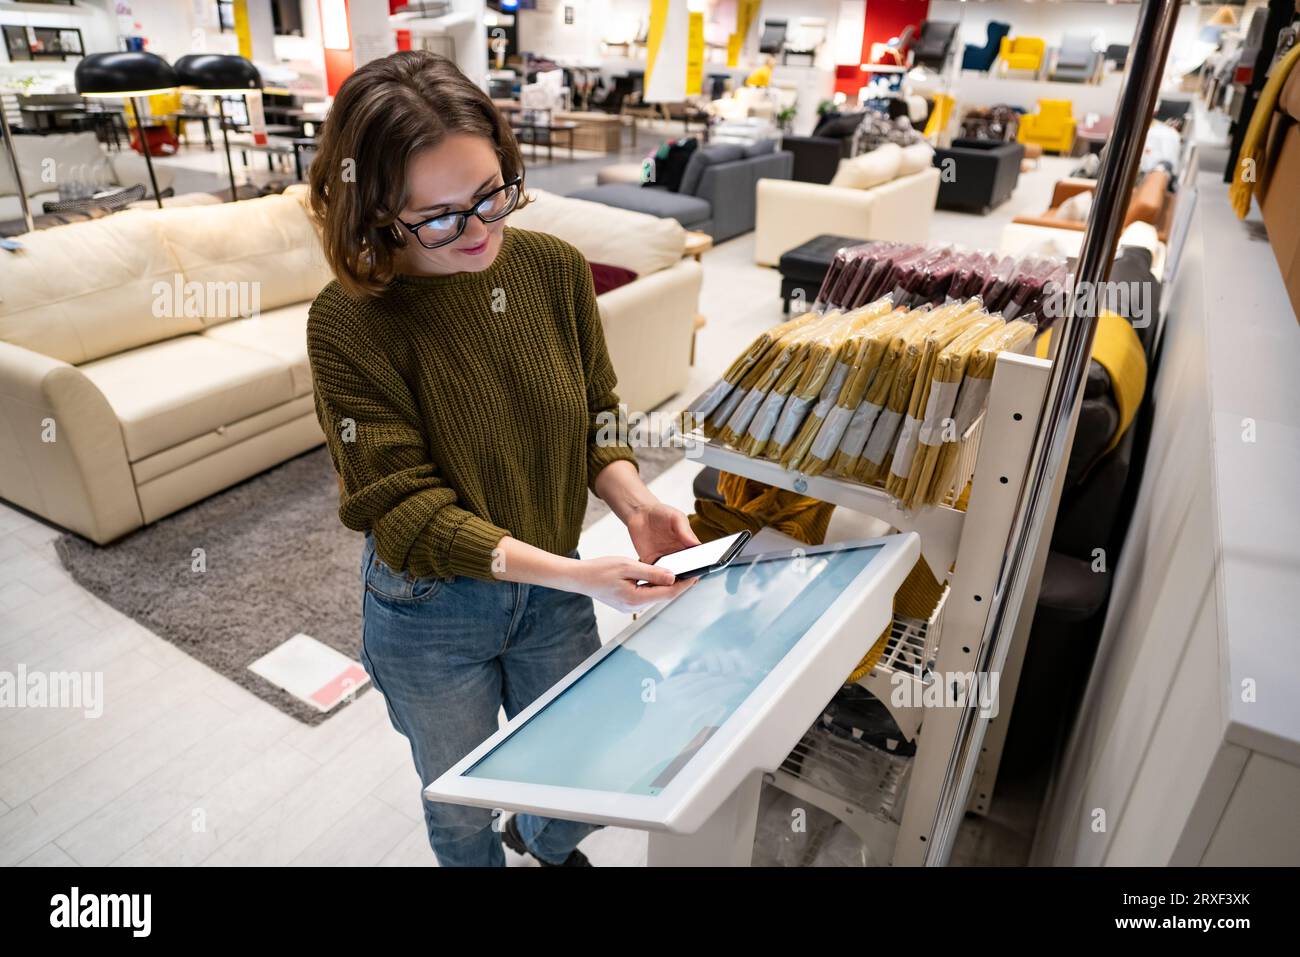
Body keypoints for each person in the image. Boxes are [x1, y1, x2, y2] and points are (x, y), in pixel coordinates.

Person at [304, 50, 699, 867]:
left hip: (551, 585)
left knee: (579, 758)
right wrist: (576, 573)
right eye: (440, 216)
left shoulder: (553, 269)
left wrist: (635, 507)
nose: (480, 231)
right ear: (375, 212)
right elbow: (405, 509)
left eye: (491, 194)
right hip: (430, 609)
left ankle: (547, 845)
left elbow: (593, 412)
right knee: (459, 797)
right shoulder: (349, 324)